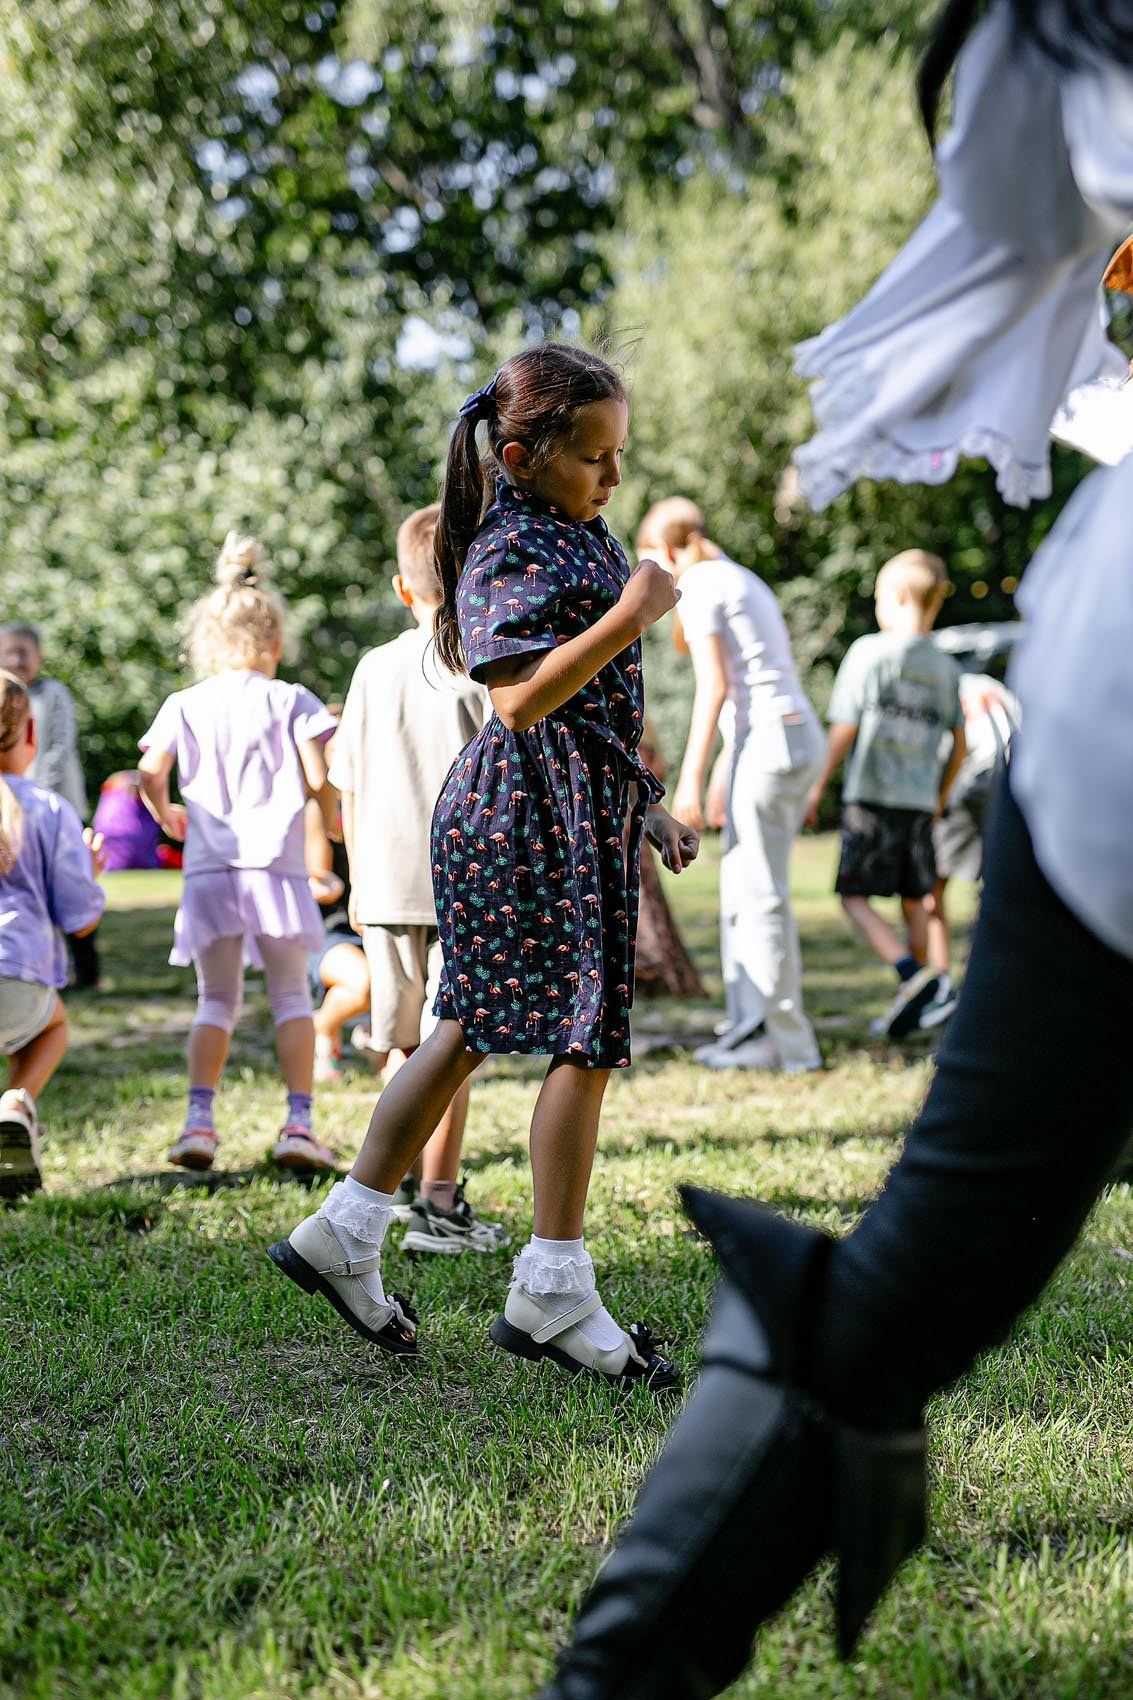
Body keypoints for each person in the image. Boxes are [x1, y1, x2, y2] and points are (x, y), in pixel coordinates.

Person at [537, 5, 1133, 1696]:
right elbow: (1013, 261)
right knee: (934, 1255)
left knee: (934, 1253)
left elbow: (1010, 266)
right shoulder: (1063, 45)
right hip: (1112, 733)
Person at [269, 342, 697, 1381]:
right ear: (519, 452)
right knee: (579, 1038)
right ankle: (551, 1286)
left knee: (468, 1026)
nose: (611, 476)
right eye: (594, 455)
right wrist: (633, 613)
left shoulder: (576, 534)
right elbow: (517, 698)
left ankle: (348, 1226)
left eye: (619, 454)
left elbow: (591, 712)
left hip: (570, 809)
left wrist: (642, 802)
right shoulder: (509, 543)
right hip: (522, 817)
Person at [327, 503, 503, 1253]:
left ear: (405, 588)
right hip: (459, 883)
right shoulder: (481, 665)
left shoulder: (371, 667)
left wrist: (360, 877)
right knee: (452, 1043)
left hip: (384, 880)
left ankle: (392, 1185)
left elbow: (348, 784)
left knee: (401, 1041)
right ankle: (439, 1201)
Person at [138, 533, 340, 1176]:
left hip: (209, 874)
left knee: (215, 999)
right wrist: (329, 822)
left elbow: (149, 770)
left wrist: (166, 814)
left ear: (206, 644)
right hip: (276, 872)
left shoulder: (186, 702)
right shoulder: (292, 699)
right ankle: (299, 1123)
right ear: (274, 644)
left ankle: (199, 1119)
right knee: (290, 998)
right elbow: (320, 773)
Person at [636, 497, 823, 1072]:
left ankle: (787, 1044)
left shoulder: (700, 585)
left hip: (770, 739)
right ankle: (750, 1029)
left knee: (758, 895)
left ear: (669, 550)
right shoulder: (742, 578)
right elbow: (752, 683)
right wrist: (724, 768)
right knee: (745, 890)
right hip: (786, 735)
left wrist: (688, 779)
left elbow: (715, 686)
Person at [805, 551, 965, 1037]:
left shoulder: (869, 652)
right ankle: (923, 999)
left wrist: (816, 785)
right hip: (919, 801)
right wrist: (940, 793)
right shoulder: (945, 666)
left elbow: (845, 729)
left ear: (894, 598)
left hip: (872, 797)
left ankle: (913, 976)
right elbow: (961, 740)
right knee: (915, 900)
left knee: (853, 896)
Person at [0, 670, 104, 1199]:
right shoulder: (49, 809)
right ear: (32, 736)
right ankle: (17, 1103)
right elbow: (80, 919)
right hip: (19, 979)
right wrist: (91, 872)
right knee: (49, 1027)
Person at [0, 621, 100, 989]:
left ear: (39, 658)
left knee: (71, 879)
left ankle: (85, 971)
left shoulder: (50, 694)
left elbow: (58, 746)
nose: (16, 659)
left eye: (24, 652)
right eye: (9, 651)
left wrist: (31, 796)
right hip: (18, 803)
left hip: (50, 803)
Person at [926, 670, 1020, 1020]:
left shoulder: (945, 685)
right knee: (1000, 886)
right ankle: (997, 981)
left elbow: (945, 748)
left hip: (968, 778)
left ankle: (940, 986)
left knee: (933, 887)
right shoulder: (994, 688)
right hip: (1008, 779)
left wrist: (934, 801)